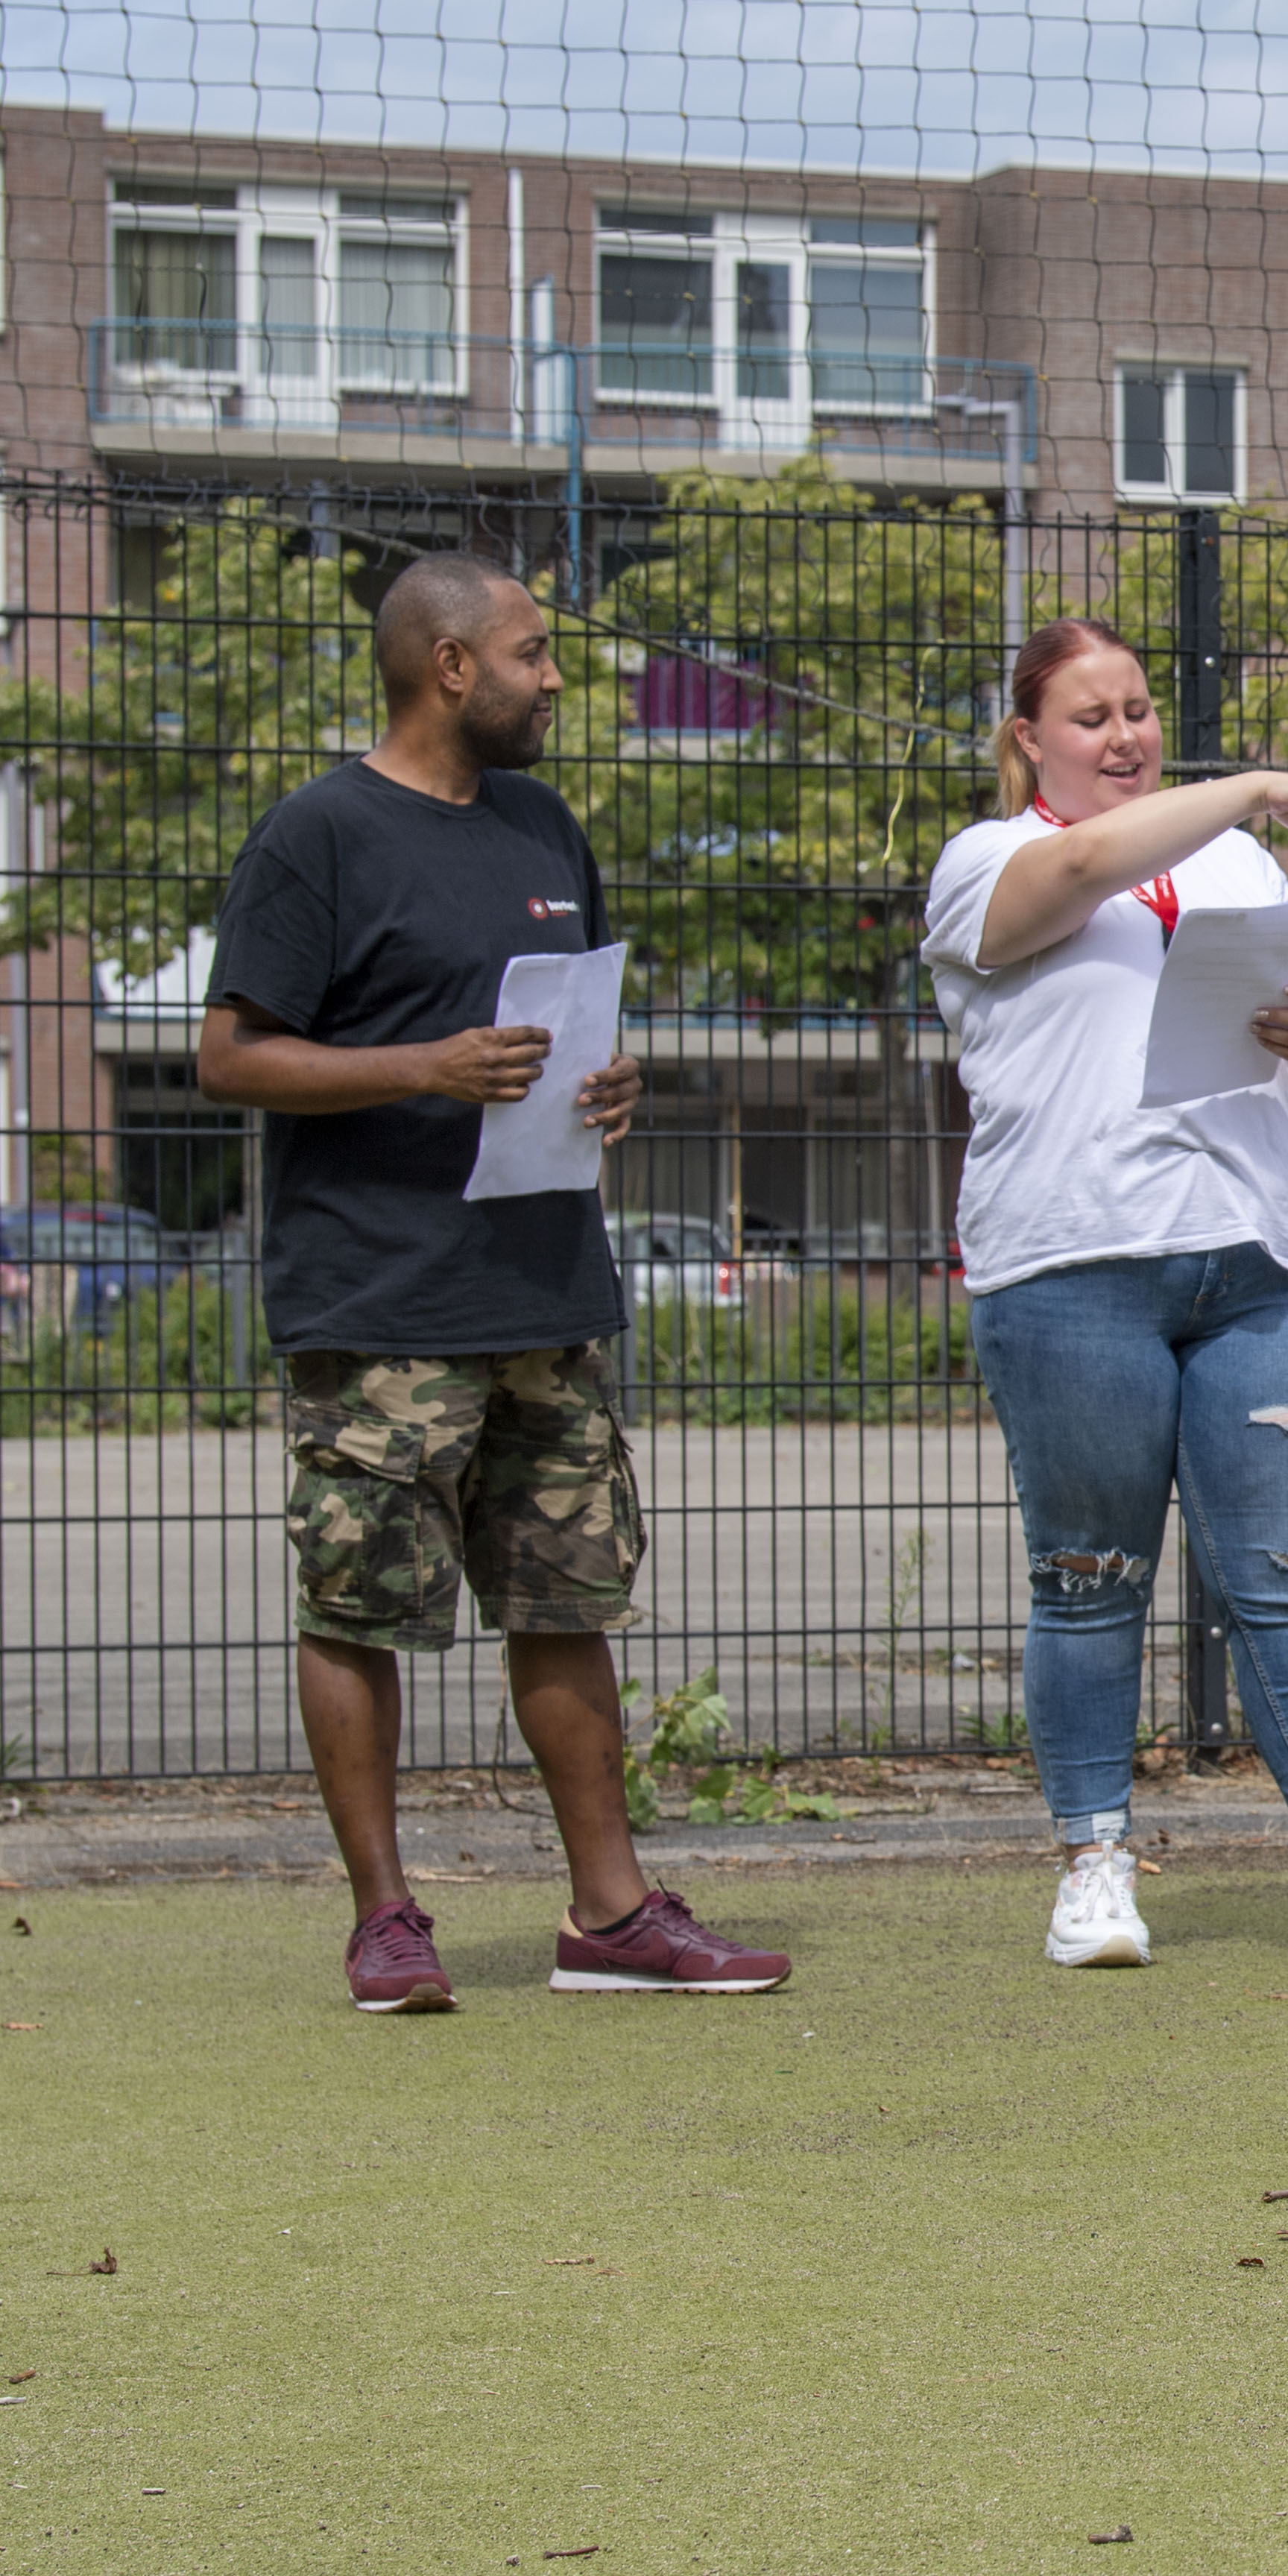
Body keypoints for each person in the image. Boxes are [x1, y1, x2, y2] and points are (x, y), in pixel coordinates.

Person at [198, 549, 789, 2012]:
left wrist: (606, 1085)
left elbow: (557, 1027)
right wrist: (430, 1069)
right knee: (358, 1605)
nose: (553, 678)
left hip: (546, 1294)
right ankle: (387, 1921)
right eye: (531, 653)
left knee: (565, 1602)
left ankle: (609, 1913)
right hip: (378, 1302)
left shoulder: (541, 825)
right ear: (448, 666)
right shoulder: (316, 836)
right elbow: (230, 1054)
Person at [923, 619, 1288, 1974]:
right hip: (1067, 1267)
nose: (1124, 737)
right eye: (1092, 717)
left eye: (1141, 711)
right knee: (1091, 1578)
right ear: (1029, 740)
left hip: (1254, 1263)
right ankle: (1094, 1866)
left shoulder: (1232, 862)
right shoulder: (989, 862)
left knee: (1285, 1577)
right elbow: (1092, 864)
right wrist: (1262, 783)